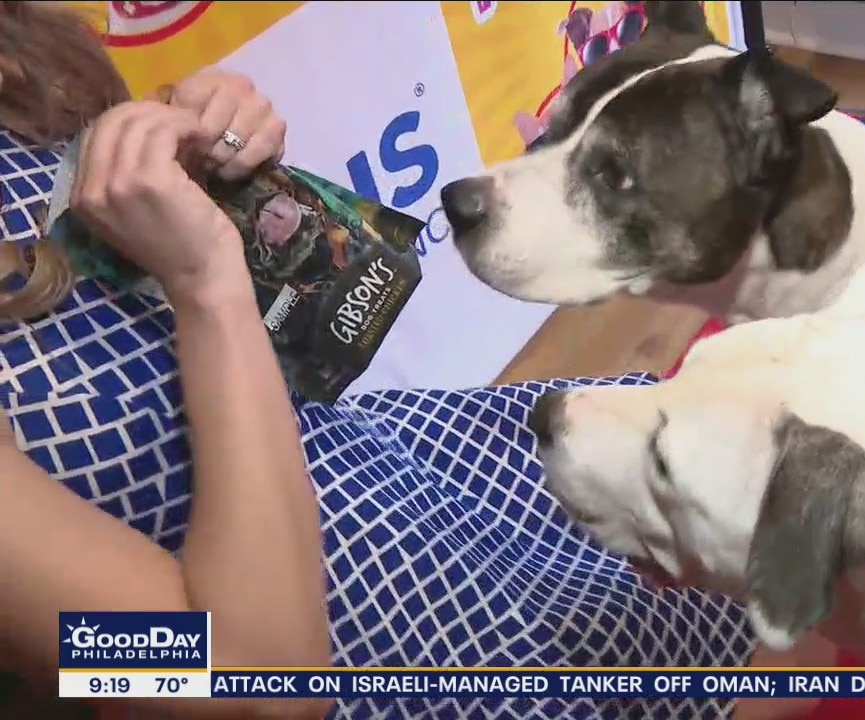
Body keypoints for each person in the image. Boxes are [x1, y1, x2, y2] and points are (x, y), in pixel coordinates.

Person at [0, 3, 753, 719]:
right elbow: (251, 681)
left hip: (402, 482)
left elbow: (133, 303)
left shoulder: (20, 59)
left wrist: (192, 159)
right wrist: (207, 282)